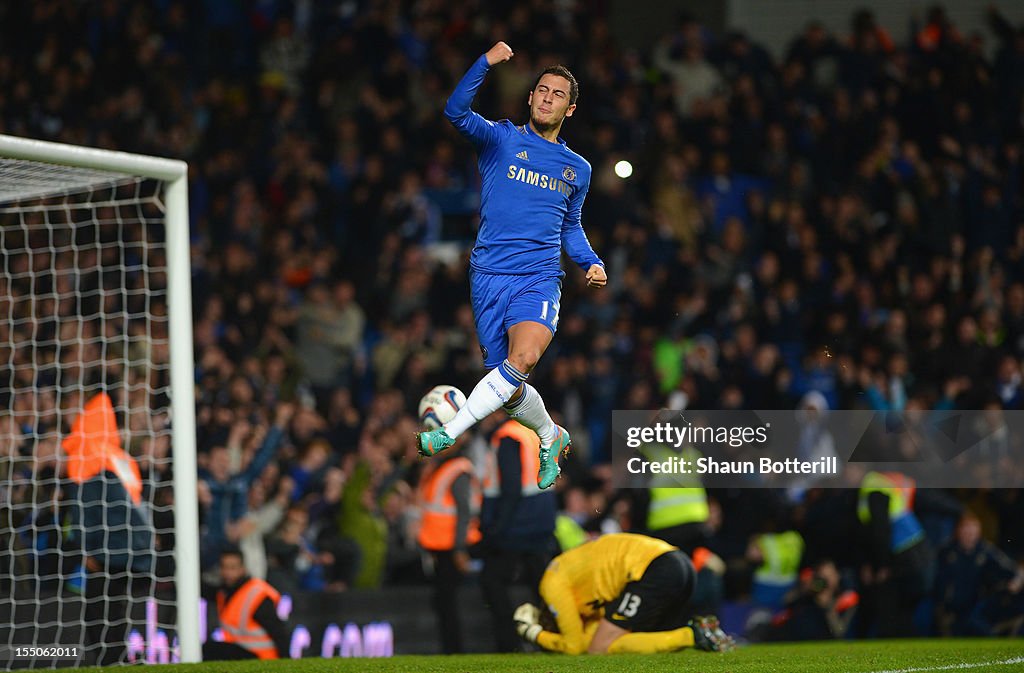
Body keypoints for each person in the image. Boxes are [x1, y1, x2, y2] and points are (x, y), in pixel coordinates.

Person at [416, 41, 607, 490]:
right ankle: (550, 434)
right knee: (508, 389)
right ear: (529, 97)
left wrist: (590, 261)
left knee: (522, 359)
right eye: (541, 90)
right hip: (487, 277)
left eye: (557, 94)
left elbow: (570, 226)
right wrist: (484, 62)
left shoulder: (576, 168)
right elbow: (455, 112)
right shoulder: (501, 139)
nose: (546, 97)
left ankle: (450, 431)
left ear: (570, 109)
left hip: (539, 279)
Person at [512, 533, 734, 655]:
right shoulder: (572, 582)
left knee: (599, 647)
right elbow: (586, 634)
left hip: (653, 569)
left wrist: (534, 634)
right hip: (675, 561)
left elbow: (575, 645)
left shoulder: (552, 586)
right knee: (619, 639)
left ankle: (694, 634)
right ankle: (702, 632)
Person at [62, 393, 157, 667]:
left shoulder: (88, 453)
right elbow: (137, 499)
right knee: (116, 604)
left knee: (98, 607)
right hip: (134, 543)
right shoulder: (120, 457)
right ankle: (117, 657)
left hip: (106, 545)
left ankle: (109, 658)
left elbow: (85, 506)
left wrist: (85, 547)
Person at [477, 413, 558, 651]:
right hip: (540, 522)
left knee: (491, 581)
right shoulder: (532, 430)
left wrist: (494, 531)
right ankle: (555, 639)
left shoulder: (508, 437)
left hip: (516, 526)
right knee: (543, 588)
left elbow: (511, 489)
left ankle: (510, 643)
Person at [416, 436, 482, 653]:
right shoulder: (440, 467)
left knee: (448, 602)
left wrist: (460, 549)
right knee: (443, 602)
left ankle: (454, 650)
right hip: (440, 547)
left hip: (452, 547)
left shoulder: (457, 468)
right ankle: (451, 650)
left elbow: (464, 511)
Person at [205, 545, 290, 660]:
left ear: (243, 568)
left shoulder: (256, 594)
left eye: (233, 568)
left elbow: (279, 633)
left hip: (262, 657)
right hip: (241, 652)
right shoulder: (224, 592)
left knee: (211, 650)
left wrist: (284, 664)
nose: (228, 573)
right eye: (224, 567)